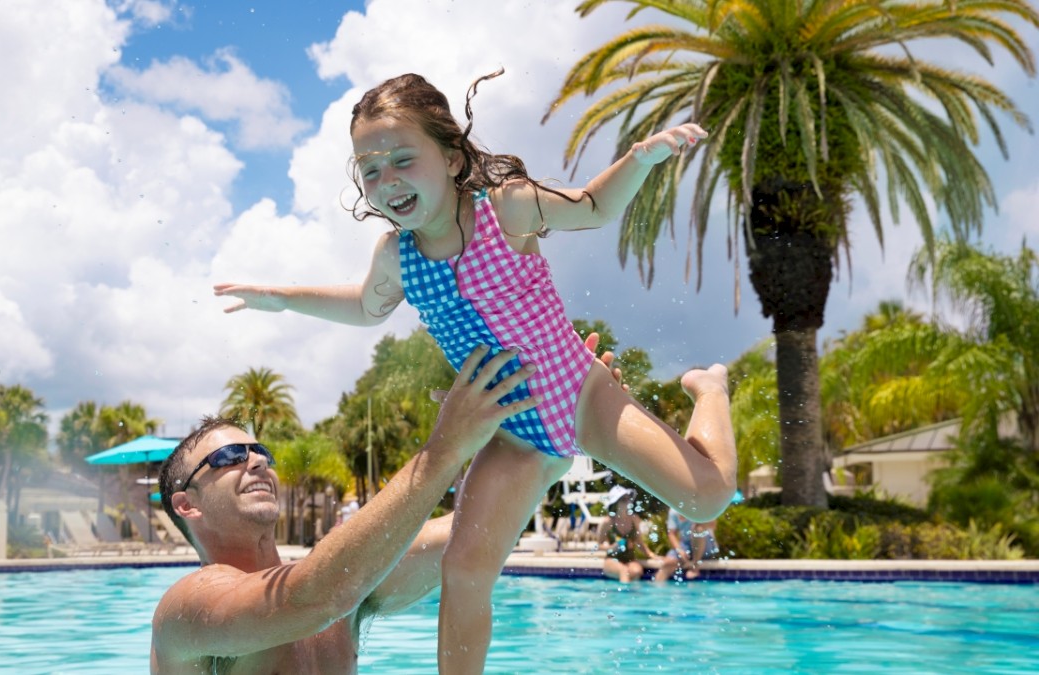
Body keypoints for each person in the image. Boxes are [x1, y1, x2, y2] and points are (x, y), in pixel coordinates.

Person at [213, 70, 738, 673]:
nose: (387, 182)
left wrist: (640, 159)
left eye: (403, 160)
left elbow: (593, 207)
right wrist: (282, 296)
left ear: (454, 156)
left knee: (706, 498)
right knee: (464, 568)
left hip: (579, 389)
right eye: (370, 171)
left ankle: (710, 387)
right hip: (513, 431)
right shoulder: (397, 256)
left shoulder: (505, 209)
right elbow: (363, 307)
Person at [150, 346, 536, 674]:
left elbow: (474, 532)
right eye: (229, 456)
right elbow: (316, 598)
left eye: (260, 452)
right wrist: (445, 448)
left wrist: (550, 427)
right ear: (188, 505)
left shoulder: (343, 579)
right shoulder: (186, 609)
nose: (257, 462)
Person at [597, 486, 659, 583]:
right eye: (623, 499)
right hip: (612, 559)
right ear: (615, 503)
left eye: (628, 498)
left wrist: (651, 555)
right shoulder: (608, 522)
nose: (627, 501)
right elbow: (599, 545)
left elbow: (639, 542)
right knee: (623, 571)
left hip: (630, 559)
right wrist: (611, 548)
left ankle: (632, 595)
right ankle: (624, 597)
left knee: (637, 571)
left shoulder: (634, 519)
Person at [654, 507, 719, 583]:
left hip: (706, 543)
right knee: (668, 563)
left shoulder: (701, 504)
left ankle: (695, 566)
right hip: (686, 544)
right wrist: (679, 550)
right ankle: (656, 590)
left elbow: (713, 525)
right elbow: (671, 533)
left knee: (698, 529)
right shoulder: (674, 509)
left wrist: (699, 520)